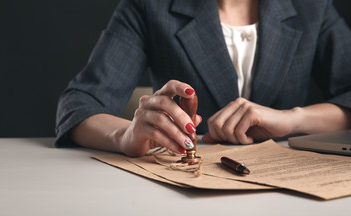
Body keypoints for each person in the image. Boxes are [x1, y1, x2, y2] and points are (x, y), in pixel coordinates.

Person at [56, 0, 351, 157]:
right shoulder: (148, 6)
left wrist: (293, 119)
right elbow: (78, 105)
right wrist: (126, 135)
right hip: (183, 193)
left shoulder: (313, 6)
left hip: (289, 191)